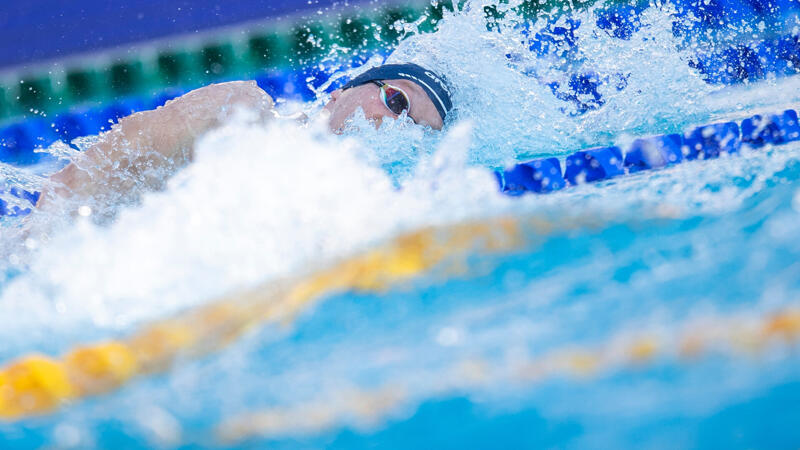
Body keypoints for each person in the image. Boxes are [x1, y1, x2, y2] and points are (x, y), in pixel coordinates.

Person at [35, 63, 453, 214]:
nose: (398, 127)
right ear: (338, 93)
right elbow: (71, 190)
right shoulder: (239, 111)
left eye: (417, 133)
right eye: (397, 101)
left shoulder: (342, 209)